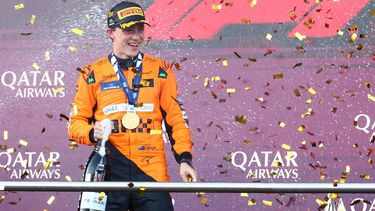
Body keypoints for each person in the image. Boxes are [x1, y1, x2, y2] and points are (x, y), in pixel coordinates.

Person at [68, 1, 197, 210]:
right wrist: (93, 132)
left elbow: (176, 120)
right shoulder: (91, 73)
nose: (136, 37)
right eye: (128, 30)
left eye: (140, 29)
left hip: (152, 172)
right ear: (111, 32)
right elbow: (75, 125)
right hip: (108, 173)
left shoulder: (161, 70)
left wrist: (184, 159)